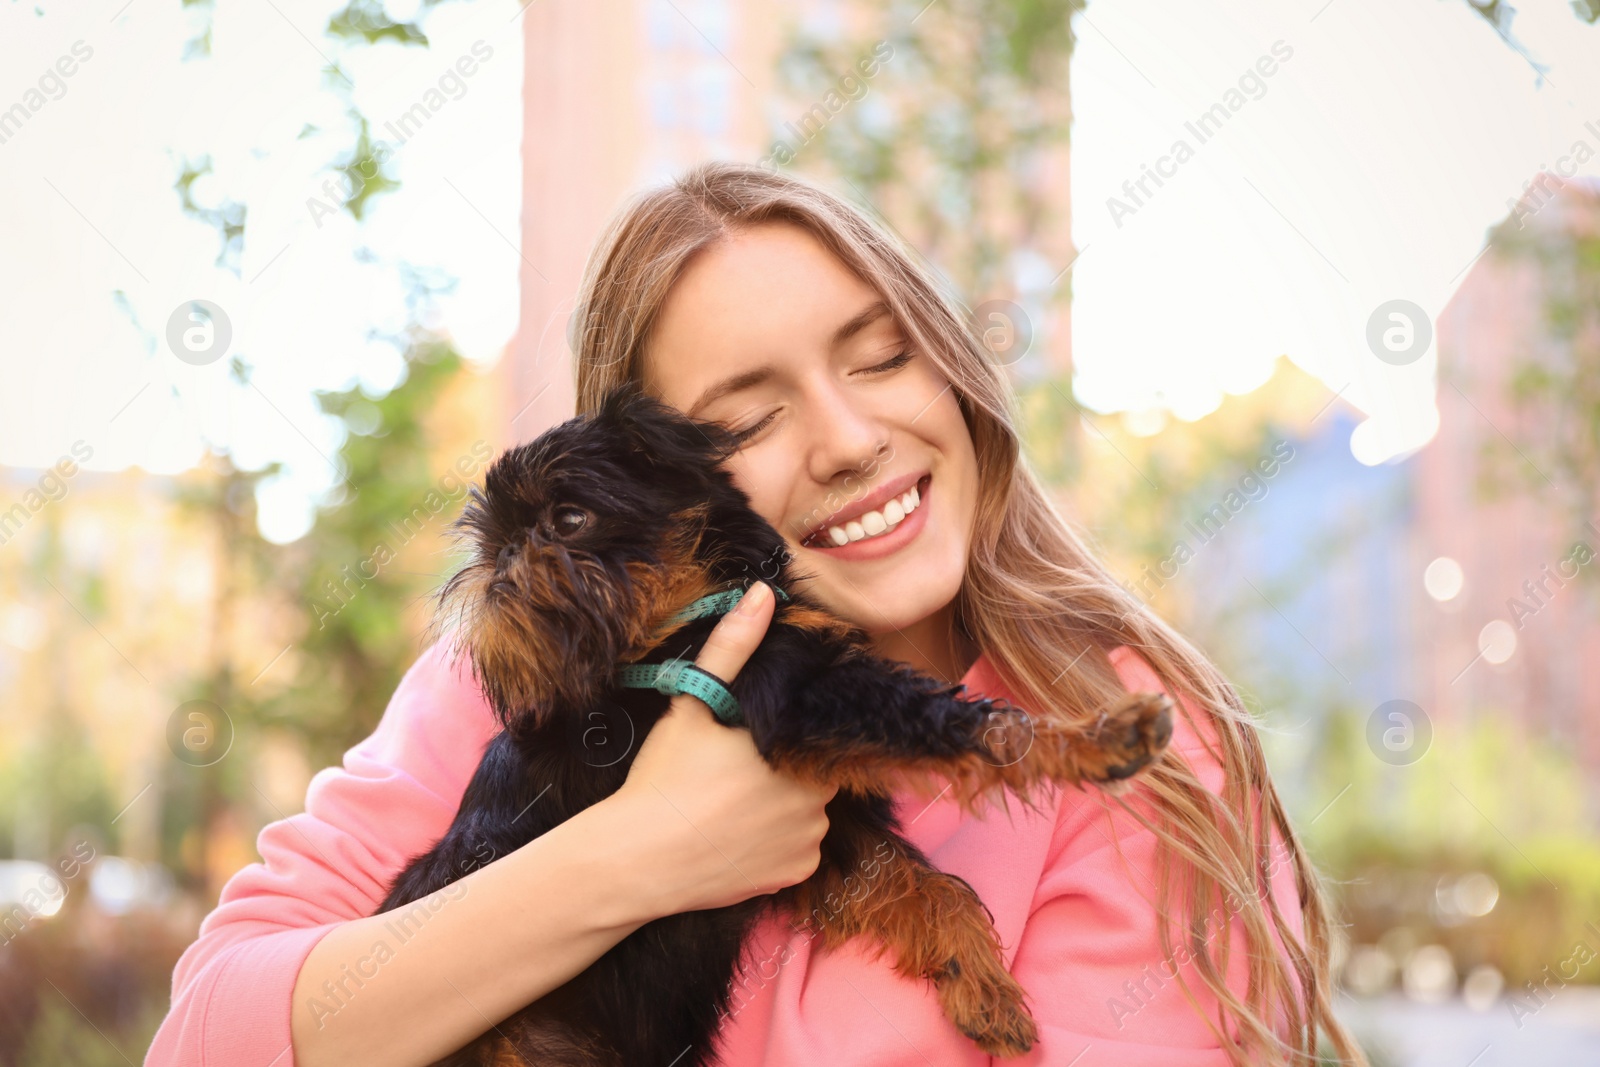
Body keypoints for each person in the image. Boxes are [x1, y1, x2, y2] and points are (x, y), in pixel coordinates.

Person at [146, 161, 1366, 1067]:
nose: (847, 440)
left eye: (881, 355)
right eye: (746, 418)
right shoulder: (511, 688)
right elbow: (210, 1033)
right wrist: (631, 856)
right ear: (648, 481)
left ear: (953, 367)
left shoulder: (1120, 732)